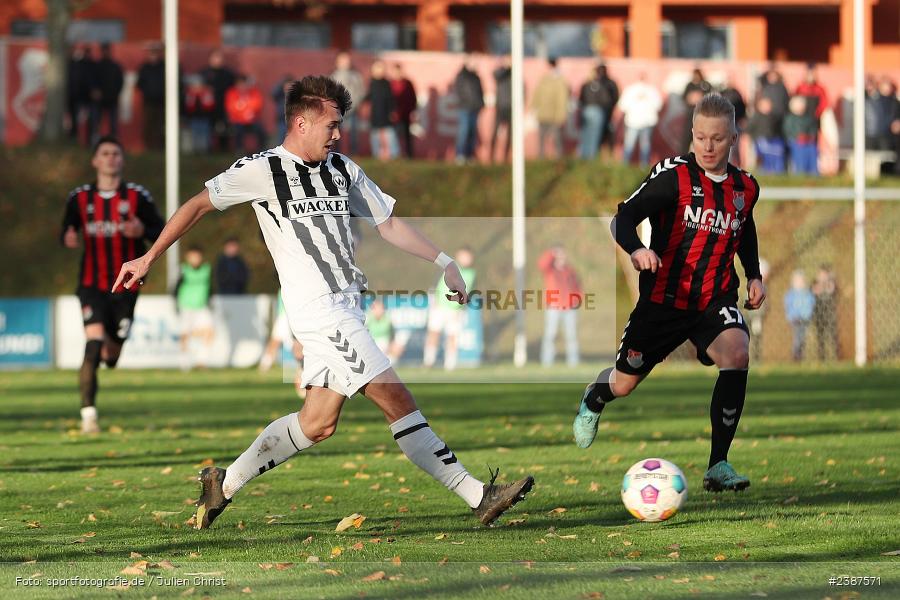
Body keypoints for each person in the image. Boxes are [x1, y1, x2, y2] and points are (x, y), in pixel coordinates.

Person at [112, 75, 533, 529]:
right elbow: (197, 205)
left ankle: (224, 483)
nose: (338, 134)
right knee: (396, 396)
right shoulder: (262, 169)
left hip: (348, 306)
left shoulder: (343, 169)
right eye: (331, 125)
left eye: (340, 125)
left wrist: (444, 261)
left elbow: (388, 223)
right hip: (318, 311)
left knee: (317, 423)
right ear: (301, 123)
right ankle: (477, 494)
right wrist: (149, 257)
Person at [572, 93, 767, 494]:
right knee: (624, 384)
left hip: (713, 298)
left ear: (733, 137)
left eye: (717, 139)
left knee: (737, 353)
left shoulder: (746, 187)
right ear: (691, 134)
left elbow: (744, 227)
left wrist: (754, 275)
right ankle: (595, 397)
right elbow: (624, 217)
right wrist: (636, 249)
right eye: (700, 137)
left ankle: (718, 465)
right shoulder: (673, 176)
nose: (708, 147)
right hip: (663, 302)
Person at [60, 136, 164, 433]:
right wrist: (68, 236)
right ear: (95, 160)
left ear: (122, 160)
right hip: (91, 284)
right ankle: (88, 415)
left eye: (116, 153)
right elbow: (67, 229)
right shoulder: (79, 197)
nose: (110, 158)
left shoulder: (137, 196)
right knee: (93, 345)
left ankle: (111, 352)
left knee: (111, 355)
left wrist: (142, 230)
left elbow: (160, 230)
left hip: (126, 287)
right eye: (104, 153)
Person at [423, 247, 476, 371]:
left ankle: (450, 364)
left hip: (455, 311)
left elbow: (470, 293)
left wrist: (462, 309)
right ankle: (429, 361)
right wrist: (434, 302)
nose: (465, 259)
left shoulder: (472, 274)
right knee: (434, 333)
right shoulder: (448, 268)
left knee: (452, 336)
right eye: (463, 256)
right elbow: (435, 284)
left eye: (468, 257)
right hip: (439, 307)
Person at [538, 246, 582, 367]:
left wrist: (577, 300)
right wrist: (552, 253)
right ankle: (547, 362)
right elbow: (542, 264)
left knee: (571, 336)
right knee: (550, 335)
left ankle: (573, 362)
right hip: (554, 308)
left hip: (570, 309)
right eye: (559, 255)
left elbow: (578, 286)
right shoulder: (550, 270)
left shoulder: (570, 270)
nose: (562, 258)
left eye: (563, 255)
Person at [175, 246, 215, 371]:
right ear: (187, 257)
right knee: (185, 334)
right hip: (186, 306)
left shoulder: (207, 269)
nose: (195, 259)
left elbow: (211, 287)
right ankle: (184, 362)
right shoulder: (184, 270)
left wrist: (210, 301)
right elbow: (175, 289)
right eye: (192, 257)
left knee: (209, 332)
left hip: (202, 306)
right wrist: (176, 305)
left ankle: (202, 361)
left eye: (197, 256)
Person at [617, 73, 662, 167]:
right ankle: (641, 166)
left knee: (634, 144)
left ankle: (628, 166)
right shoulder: (650, 90)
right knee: (640, 145)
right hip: (641, 121)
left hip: (638, 121)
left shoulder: (632, 89)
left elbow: (622, 106)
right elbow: (658, 105)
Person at [531, 58, 570, 159]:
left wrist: (561, 115)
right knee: (541, 138)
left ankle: (558, 159)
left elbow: (562, 99)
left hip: (554, 115)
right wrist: (534, 107)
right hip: (543, 113)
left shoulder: (560, 80)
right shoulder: (544, 79)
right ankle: (541, 158)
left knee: (557, 138)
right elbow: (537, 94)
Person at [578, 64, 618, 160]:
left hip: (587, 110)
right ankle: (591, 157)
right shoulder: (605, 84)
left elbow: (581, 99)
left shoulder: (586, 83)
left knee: (586, 134)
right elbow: (608, 99)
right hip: (598, 111)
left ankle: (583, 156)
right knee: (594, 135)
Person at [330, 51, 366, 154]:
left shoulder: (356, 76)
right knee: (336, 131)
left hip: (353, 109)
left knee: (354, 133)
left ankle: (354, 153)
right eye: (342, 60)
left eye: (347, 60)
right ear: (337, 62)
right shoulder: (333, 76)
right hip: (337, 110)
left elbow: (361, 91)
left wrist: (355, 104)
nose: (345, 62)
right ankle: (336, 153)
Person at [201, 50, 236, 152]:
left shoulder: (228, 74)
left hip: (224, 105)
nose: (217, 61)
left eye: (219, 58)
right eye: (215, 58)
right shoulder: (204, 73)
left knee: (224, 127)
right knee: (209, 127)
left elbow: (233, 88)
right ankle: (208, 148)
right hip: (208, 106)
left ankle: (224, 148)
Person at [453, 57, 484, 164]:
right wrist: (465, 102)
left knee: (472, 133)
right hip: (465, 107)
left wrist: (480, 104)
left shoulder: (476, 77)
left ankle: (470, 155)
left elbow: (480, 91)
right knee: (463, 131)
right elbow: (459, 92)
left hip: (475, 107)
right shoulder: (462, 76)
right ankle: (460, 155)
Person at [366, 60, 399, 160]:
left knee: (389, 133)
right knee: (375, 134)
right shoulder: (371, 83)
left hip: (386, 112)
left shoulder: (387, 83)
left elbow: (391, 98)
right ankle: (376, 153)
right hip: (375, 113)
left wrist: (392, 111)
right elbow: (369, 97)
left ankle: (394, 153)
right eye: (377, 68)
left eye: (381, 68)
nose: (379, 71)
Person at [90, 42, 123, 143]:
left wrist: (115, 93)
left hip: (112, 99)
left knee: (113, 124)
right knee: (95, 123)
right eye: (104, 50)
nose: (105, 52)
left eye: (107, 50)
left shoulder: (115, 66)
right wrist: (94, 91)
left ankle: (114, 143)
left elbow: (120, 82)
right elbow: (91, 81)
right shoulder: (96, 66)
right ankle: (95, 143)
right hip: (98, 100)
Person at [225, 75, 266, 153]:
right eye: (240, 84)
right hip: (237, 120)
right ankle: (239, 149)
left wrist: (247, 110)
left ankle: (261, 150)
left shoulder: (253, 92)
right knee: (238, 131)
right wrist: (244, 113)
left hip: (252, 120)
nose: (242, 86)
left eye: (244, 84)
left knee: (260, 130)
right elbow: (231, 108)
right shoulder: (232, 93)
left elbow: (258, 104)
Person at [136, 44, 165, 150]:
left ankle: (160, 147)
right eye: (152, 53)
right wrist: (148, 92)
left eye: (155, 53)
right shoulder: (145, 67)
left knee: (161, 125)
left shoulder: (165, 67)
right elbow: (139, 84)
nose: (153, 55)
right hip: (148, 102)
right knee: (149, 125)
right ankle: (149, 147)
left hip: (162, 102)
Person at [746, 97, 785, 174]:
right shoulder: (756, 117)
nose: (768, 107)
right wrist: (753, 138)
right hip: (760, 140)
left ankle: (776, 171)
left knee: (776, 153)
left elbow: (778, 129)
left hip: (772, 140)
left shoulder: (774, 117)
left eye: (769, 105)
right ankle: (764, 170)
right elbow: (749, 129)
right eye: (766, 105)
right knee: (764, 155)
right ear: (760, 106)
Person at [67, 44, 95, 144]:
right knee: (74, 119)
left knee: (90, 120)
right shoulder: (75, 64)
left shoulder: (90, 64)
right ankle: (74, 139)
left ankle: (88, 140)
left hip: (86, 97)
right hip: (76, 96)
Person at [784, 270, 815, 362]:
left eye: (801, 280)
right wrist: (791, 316)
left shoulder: (807, 293)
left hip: (804, 319)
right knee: (797, 336)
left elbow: (811, 303)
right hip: (795, 319)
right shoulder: (791, 294)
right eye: (797, 281)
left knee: (802, 337)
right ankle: (796, 354)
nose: (799, 283)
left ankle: (800, 353)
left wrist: (807, 315)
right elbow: (788, 305)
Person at [783, 95, 818, 175]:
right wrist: (797, 137)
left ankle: (813, 172)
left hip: (808, 142)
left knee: (812, 149)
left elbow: (813, 129)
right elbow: (788, 131)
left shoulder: (809, 118)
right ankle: (800, 171)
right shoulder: (789, 119)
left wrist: (810, 137)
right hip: (795, 142)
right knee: (799, 150)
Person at [389, 63, 417, 159]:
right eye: (395, 72)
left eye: (399, 71)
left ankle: (409, 154)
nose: (397, 74)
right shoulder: (390, 84)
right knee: (395, 135)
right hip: (395, 114)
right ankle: (396, 154)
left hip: (406, 113)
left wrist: (413, 110)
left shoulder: (407, 83)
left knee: (406, 135)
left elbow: (413, 98)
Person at [811, 265, 838, 361]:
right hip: (818, 313)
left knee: (833, 336)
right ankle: (822, 357)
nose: (822, 276)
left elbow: (831, 290)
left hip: (829, 313)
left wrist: (826, 283)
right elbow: (815, 291)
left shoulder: (831, 282)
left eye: (824, 274)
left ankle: (837, 356)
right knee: (820, 337)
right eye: (820, 274)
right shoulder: (814, 282)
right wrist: (821, 285)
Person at [681, 68, 712, 152]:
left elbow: (711, 97)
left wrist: (700, 98)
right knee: (686, 139)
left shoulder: (705, 85)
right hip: (690, 116)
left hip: (703, 116)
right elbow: (684, 98)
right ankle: (683, 157)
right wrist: (691, 98)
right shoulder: (690, 86)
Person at [184, 74, 215, 153]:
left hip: (204, 117)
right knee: (195, 133)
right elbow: (189, 106)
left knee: (204, 133)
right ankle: (196, 149)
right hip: (194, 117)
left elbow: (209, 105)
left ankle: (204, 149)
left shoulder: (206, 93)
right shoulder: (190, 94)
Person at [491, 57, 512, 163]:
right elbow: (496, 76)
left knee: (510, 134)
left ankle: (506, 157)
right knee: (495, 131)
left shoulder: (515, 73)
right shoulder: (501, 72)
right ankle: (491, 155)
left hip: (511, 107)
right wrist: (507, 68)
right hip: (501, 106)